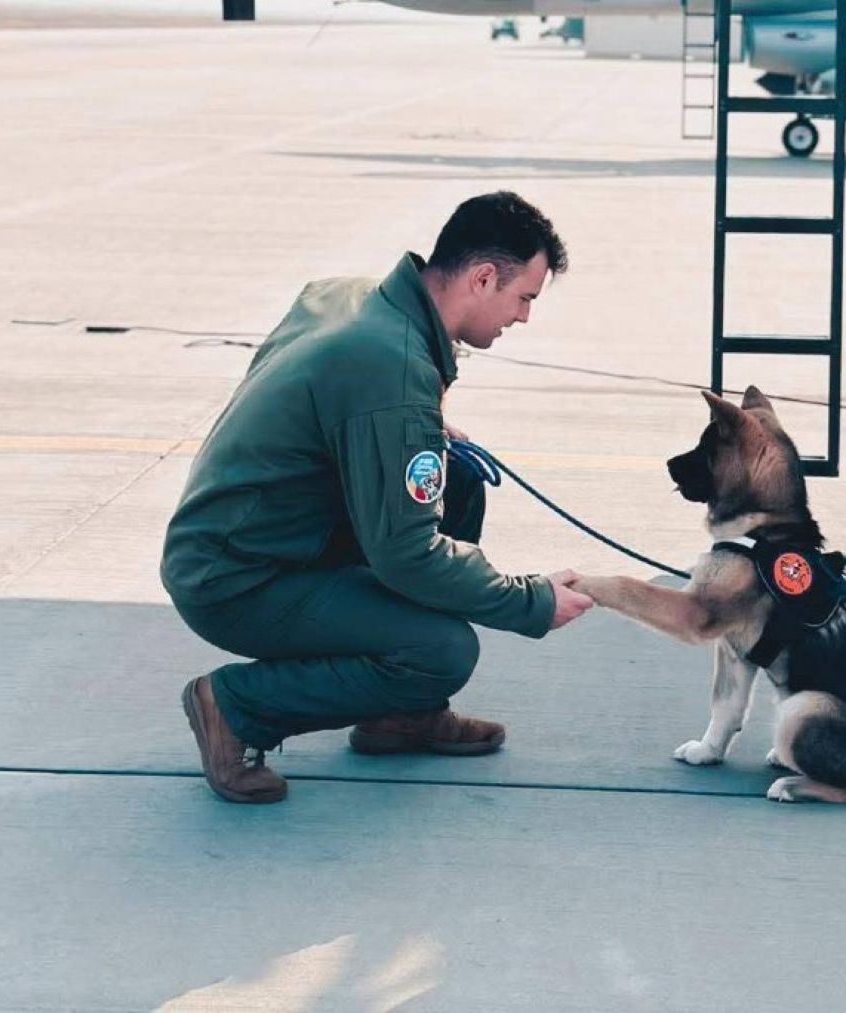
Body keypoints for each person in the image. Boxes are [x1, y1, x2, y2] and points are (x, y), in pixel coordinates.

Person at [161, 191, 594, 804]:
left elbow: (320, 374)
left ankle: (401, 715)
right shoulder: (390, 368)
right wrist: (529, 602)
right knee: (442, 651)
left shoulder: (359, 299)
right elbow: (406, 553)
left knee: (459, 480)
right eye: (524, 298)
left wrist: (405, 428)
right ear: (482, 277)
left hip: (261, 537)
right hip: (237, 578)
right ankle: (236, 707)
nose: (523, 316)